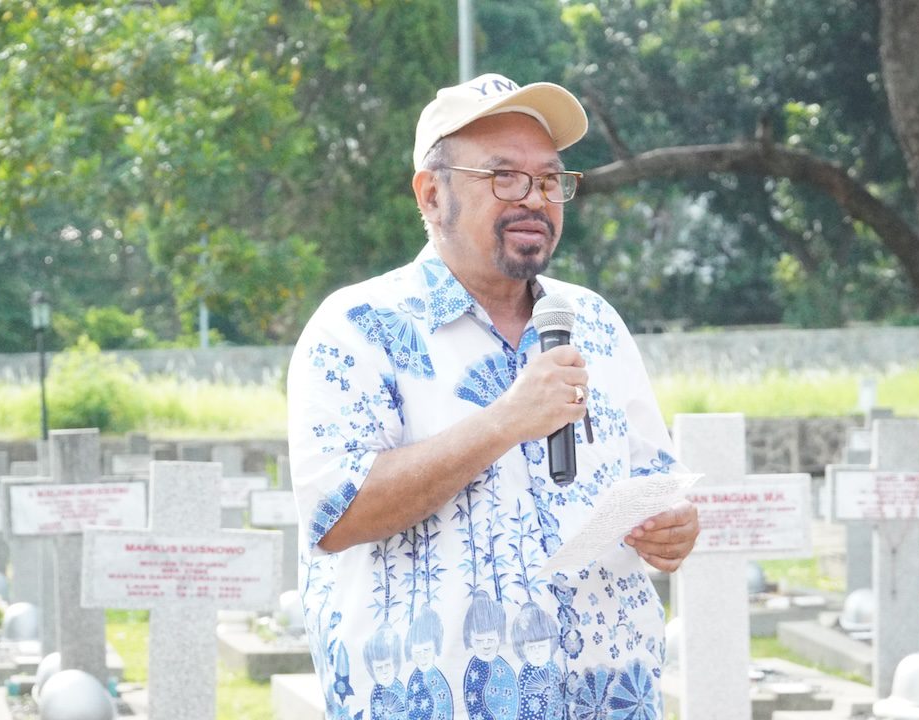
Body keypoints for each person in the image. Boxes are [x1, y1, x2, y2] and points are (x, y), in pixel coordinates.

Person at [288, 72, 700, 720]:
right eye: (503, 176)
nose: (534, 199)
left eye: (549, 180)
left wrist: (672, 527)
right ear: (432, 194)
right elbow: (337, 514)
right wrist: (505, 420)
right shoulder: (358, 328)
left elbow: (653, 479)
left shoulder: (594, 322)